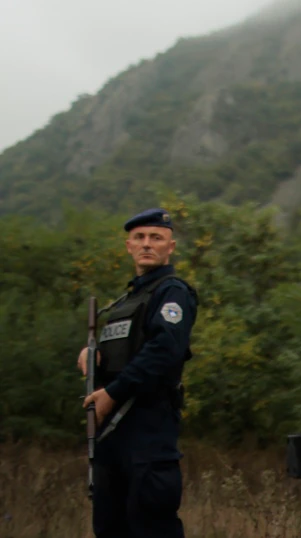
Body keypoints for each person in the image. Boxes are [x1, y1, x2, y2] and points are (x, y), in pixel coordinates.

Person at [78, 208, 198, 537]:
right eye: (139, 237)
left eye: (156, 238)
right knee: (110, 527)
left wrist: (112, 393)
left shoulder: (172, 292)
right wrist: (93, 354)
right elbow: (126, 350)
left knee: (151, 526)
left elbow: (164, 350)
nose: (147, 244)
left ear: (170, 247)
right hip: (112, 435)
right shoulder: (124, 302)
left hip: (148, 431)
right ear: (129, 246)